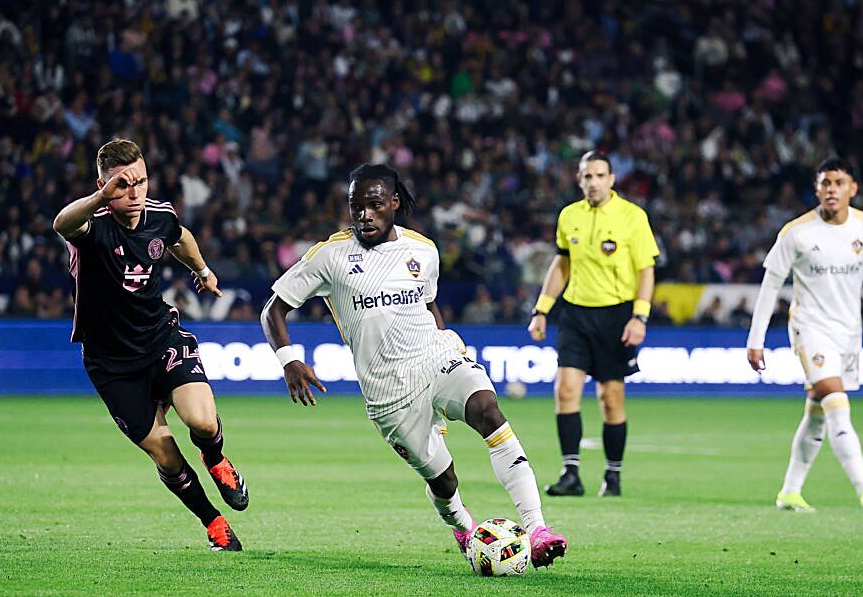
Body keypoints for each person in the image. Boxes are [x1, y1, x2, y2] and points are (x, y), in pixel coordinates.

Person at [261, 163, 567, 569]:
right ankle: (462, 526)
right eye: (356, 206)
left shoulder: (422, 250)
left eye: (373, 205)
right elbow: (273, 310)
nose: (363, 215)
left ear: (394, 203)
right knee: (443, 479)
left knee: (487, 410)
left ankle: (538, 529)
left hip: (435, 355)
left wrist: (447, 345)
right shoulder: (329, 256)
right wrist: (290, 361)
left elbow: (427, 303)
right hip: (388, 389)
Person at [52, 139, 248, 551]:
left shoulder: (158, 215)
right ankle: (213, 520)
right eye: (122, 186)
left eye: (140, 181)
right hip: (112, 363)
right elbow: (61, 223)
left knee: (204, 423)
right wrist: (99, 199)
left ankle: (216, 459)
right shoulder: (91, 227)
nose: (134, 193)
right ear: (103, 186)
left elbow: (180, 237)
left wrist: (202, 269)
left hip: (160, 339)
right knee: (167, 456)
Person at [747, 157, 863, 513]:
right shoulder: (796, 232)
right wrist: (756, 338)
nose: (831, 190)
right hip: (810, 329)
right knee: (838, 407)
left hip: (849, 333)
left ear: (852, 188)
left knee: (817, 412)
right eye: (825, 183)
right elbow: (770, 285)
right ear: (816, 189)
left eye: (839, 183)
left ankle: (789, 493)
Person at [527, 151, 659, 497]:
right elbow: (562, 264)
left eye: (600, 175)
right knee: (565, 389)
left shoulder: (633, 216)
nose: (594, 182)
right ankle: (571, 474)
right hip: (575, 314)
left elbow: (646, 270)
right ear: (579, 179)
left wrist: (640, 316)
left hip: (616, 315)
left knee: (610, 398)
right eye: (587, 176)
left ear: (612, 179)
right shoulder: (569, 216)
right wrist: (542, 309)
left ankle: (612, 476)